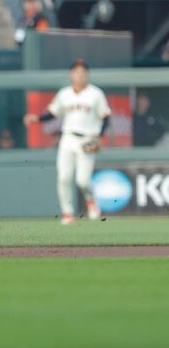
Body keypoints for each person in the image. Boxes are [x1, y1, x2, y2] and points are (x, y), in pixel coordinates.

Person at [23, 60, 111, 225]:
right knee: (64, 177)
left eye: (83, 72)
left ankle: (91, 202)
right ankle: (67, 213)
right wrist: (36, 118)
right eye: (77, 72)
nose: (80, 75)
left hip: (88, 139)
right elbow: (52, 113)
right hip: (68, 138)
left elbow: (105, 117)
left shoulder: (96, 94)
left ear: (87, 74)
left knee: (83, 180)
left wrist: (100, 136)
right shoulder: (64, 93)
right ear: (71, 75)